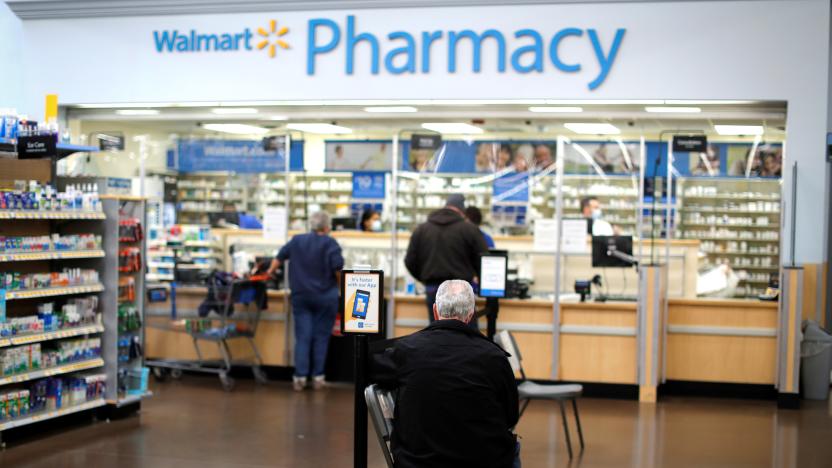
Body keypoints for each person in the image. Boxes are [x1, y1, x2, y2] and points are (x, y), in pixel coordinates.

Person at [372, 280, 520, 468]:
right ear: (471, 315)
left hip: (417, 463)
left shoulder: (406, 350)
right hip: (483, 461)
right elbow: (511, 417)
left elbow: (371, 371)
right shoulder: (494, 357)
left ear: (435, 311)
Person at [267, 211, 344, 391]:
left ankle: (300, 377)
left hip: (301, 296)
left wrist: (269, 272)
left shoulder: (297, 240)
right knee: (321, 337)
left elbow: (279, 257)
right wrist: (340, 288)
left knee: (303, 337)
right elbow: (338, 270)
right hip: (326, 297)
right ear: (327, 227)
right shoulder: (331, 244)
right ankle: (318, 377)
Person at [405, 194, 488, 323]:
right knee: (466, 335)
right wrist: (476, 276)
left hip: (434, 289)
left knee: (436, 333)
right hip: (462, 291)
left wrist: (425, 279)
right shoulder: (469, 229)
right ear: (462, 210)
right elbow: (484, 260)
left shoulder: (422, 230)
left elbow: (410, 261)